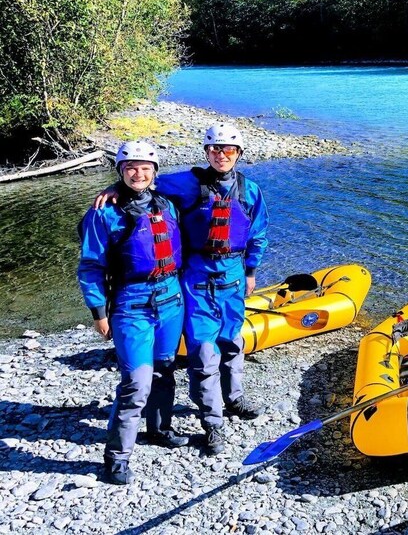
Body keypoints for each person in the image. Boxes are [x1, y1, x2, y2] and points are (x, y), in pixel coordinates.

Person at [95, 123, 269, 455]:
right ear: (206, 152)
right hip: (197, 278)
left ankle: (234, 399)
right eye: (215, 149)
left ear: (239, 154)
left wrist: (251, 271)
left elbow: (258, 233)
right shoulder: (185, 184)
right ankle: (213, 424)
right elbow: (143, 182)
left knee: (233, 341)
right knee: (203, 355)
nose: (221, 155)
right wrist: (114, 188)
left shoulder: (251, 191)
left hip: (233, 275)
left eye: (228, 149)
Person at [78, 141, 187, 485]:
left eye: (145, 168)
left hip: (171, 298)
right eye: (130, 168)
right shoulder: (103, 213)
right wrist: (98, 312)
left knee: (164, 368)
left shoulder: (168, 204)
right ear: (120, 172)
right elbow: (91, 265)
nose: (138, 174)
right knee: (135, 382)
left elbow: (203, 182)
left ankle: (159, 429)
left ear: (154, 172)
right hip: (131, 304)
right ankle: (117, 456)